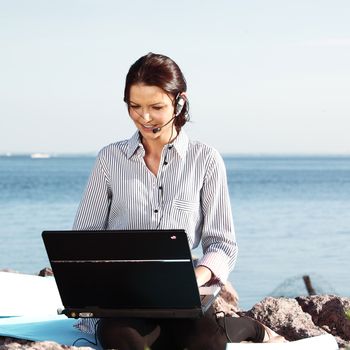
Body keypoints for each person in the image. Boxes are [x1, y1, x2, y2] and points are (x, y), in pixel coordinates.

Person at [73, 52, 270, 349]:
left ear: (179, 102)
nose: (145, 117)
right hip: (124, 298)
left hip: (182, 292)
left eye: (156, 106)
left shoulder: (206, 160)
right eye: (135, 106)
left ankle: (240, 326)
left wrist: (195, 278)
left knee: (206, 343)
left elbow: (222, 244)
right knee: (121, 340)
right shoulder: (108, 160)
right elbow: (84, 240)